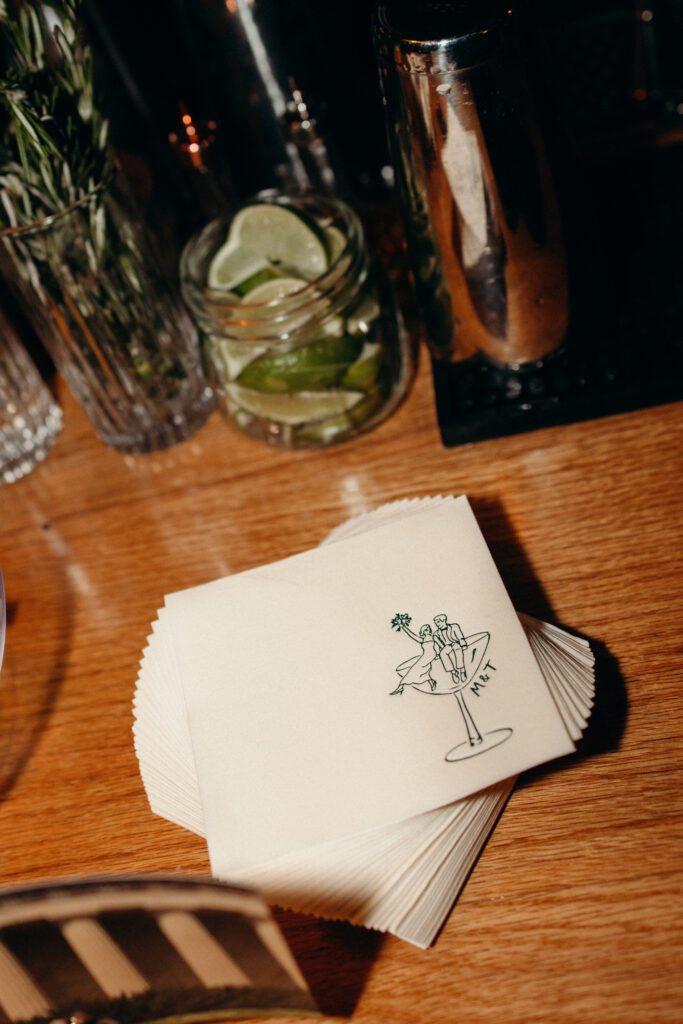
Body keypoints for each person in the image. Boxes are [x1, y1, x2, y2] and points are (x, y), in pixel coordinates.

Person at [390, 622, 438, 695]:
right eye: (425, 630)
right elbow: (412, 635)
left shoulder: (431, 637)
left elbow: (437, 645)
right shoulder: (424, 639)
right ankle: (431, 681)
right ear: (422, 632)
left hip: (429, 656)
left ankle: (401, 686)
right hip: (426, 656)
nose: (427, 630)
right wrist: (404, 627)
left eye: (428, 629)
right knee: (423, 671)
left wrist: (437, 654)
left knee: (414, 671)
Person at [433, 613, 468, 684]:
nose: (437, 624)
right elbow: (438, 645)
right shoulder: (436, 634)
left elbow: (460, 636)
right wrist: (437, 653)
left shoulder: (454, 626)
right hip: (447, 646)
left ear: (443, 620)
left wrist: (463, 644)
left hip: (455, 643)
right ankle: (453, 672)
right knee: (443, 654)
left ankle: (462, 670)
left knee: (457, 649)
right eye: (436, 623)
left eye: (438, 622)